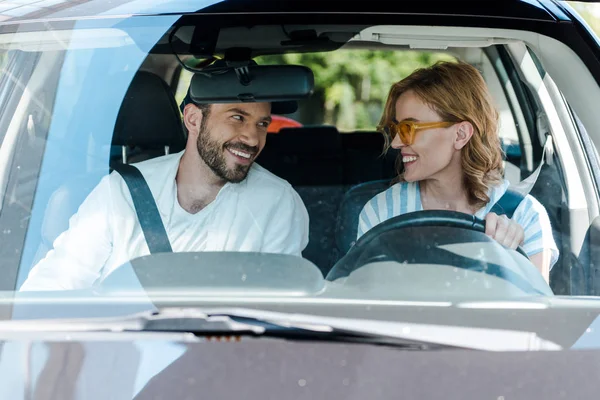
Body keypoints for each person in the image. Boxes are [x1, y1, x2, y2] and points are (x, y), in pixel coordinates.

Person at [20, 97, 309, 291]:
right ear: (194, 119)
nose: (252, 137)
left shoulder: (277, 202)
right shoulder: (122, 192)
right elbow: (54, 288)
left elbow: (279, 306)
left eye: (262, 124)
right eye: (237, 118)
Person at [357, 61, 558, 282]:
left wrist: (512, 260)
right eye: (396, 129)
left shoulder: (524, 216)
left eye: (408, 129)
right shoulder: (381, 212)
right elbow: (365, 303)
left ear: (461, 135)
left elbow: (537, 314)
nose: (395, 143)